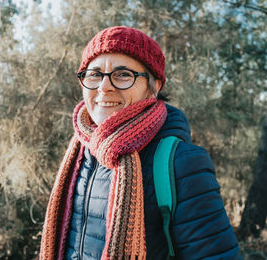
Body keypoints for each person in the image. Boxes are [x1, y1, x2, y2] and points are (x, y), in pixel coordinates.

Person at [40, 26, 241, 259]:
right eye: (94, 75)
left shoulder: (182, 163)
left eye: (123, 74)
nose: (104, 87)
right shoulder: (79, 152)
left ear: (154, 87)